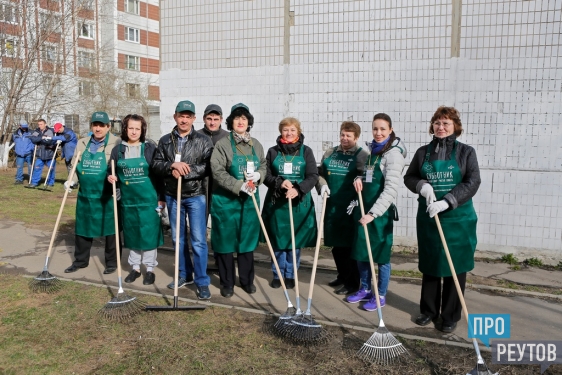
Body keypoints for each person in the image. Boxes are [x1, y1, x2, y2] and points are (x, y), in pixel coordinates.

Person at [404, 106, 480, 333]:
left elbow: (472, 182)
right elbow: (410, 177)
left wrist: (447, 201)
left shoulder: (466, 152)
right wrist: (422, 186)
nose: (441, 127)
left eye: (446, 123)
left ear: (455, 126)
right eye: (437, 122)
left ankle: (450, 315)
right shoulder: (422, 153)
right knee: (432, 264)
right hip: (430, 218)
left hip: (458, 219)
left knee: (455, 267)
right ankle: (428, 311)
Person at [152, 100, 214, 300]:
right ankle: (183, 275)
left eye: (188, 116)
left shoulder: (203, 140)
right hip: (173, 195)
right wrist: (172, 166)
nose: (184, 119)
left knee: (198, 241)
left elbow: (207, 166)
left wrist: (185, 170)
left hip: (196, 196)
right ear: (175, 117)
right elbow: (156, 164)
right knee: (178, 240)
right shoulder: (165, 141)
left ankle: (202, 281)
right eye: (181, 116)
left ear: (193, 118)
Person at [347, 113, 406, 311]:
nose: (378, 133)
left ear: (390, 130)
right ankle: (364, 288)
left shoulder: (394, 155)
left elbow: (390, 190)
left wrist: (373, 214)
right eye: (375, 129)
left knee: (381, 257)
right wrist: (359, 179)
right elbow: (368, 177)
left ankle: (380, 294)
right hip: (364, 210)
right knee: (362, 253)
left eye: (382, 129)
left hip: (379, 216)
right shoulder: (373, 151)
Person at [209, 103, 267, 298]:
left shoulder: (256, 145)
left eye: (244, 118)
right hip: (226, 203)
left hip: (249, 203)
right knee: (225, 244)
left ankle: (246, 280)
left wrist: (259, 175)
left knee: (247, 243)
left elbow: (264, 165)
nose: (240, 121)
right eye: (237, 118)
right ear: (231, 122)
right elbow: (217, 170)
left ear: (248, 121)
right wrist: (238, 185)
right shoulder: (223, 144)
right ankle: (227, 283)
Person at [107, 114, 165, 285]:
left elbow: (159, 176)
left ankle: (150, 269)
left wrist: (161, 198)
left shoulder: (150, 149)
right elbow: (110, 172)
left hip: (149, 201)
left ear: (142, 130)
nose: (133, 132)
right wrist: (110, 178)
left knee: (149, 235)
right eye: (130, 128)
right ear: (125, 129)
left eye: (137, 129)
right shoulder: (118, 151)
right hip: (128, 201)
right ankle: (135, 268)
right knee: (132, 235)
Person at [262, 117, 318, 289]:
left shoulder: (306, 151)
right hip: (277, 204)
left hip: (298, 204)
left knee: (294, 241)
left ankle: (291, 274)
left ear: (298, 132)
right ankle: (278, 274)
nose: (289, 133)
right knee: (278, 240)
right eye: (286, 130)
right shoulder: (272, 152)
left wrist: (299, 189)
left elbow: (313, 176)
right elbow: (266, 175)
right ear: (281, 132)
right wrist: (279, 182)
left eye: (293, 130)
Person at [64, 111, 121, 274]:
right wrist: (71, 180)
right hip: (86, 195)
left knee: (111, 229)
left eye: (101, 125)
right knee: (83, 227)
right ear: (91, 126)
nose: (98, 128)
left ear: (108, 127)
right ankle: (80, 261)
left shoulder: (116, 143)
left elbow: (121, 167)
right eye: (95, 125)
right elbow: (75, 166)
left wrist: (119, 187)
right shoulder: (82, 143)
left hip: (107, 195)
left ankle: (111, 262)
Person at [315, 121, 369, 295]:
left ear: (356, 137)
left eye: (349, 136)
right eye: (342, 134)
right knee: (336, 246)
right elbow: (319, 174)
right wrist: (321, 186)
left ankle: (353, 282)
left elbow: (367, 179)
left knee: (349, 246)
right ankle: (342, 275)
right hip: (332, 207)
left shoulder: (363, 155)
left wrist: (359, 199)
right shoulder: (331, 152)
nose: (344, 138)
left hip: (351, 208)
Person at [28, 119, 57, 188]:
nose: (39, 126)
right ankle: (34, 183)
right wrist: (42, 138)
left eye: (41, 124)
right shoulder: (37, 131)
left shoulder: (50, 131)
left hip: (50, 154)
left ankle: (50, 183)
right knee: (37, 168)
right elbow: (33, 139)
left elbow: (49, 141)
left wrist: (41, 139)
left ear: (45, 124)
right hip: (40, 154)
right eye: (39, 124)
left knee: (51, 169)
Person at [11, 121, 34, 185]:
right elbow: (12, 142)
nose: (24, 128)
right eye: (23, 127)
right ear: (19, 126)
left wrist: (33, 148)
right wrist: (15, 150)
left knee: (30, 167)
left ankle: (32, 180)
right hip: (19, 154)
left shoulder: (32, 132)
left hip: (29, 153)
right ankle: (19, 180)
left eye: (25, 127)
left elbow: (37, 139)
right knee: (19, 167)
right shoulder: (15, 134)